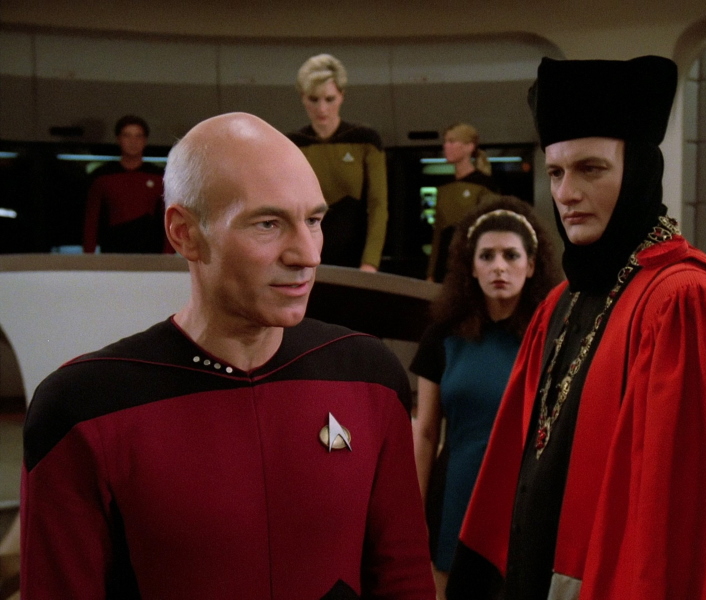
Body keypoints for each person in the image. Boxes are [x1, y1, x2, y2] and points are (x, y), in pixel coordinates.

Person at [21, 112, 435, 599]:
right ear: (184, 233)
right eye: (268, 224)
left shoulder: (369, 377)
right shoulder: (82, 408)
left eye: (314, 220)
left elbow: (405, 577)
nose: (307, 254)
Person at [448, 56, 706, 600]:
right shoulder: (561, 303)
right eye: (556, 172)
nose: (566, 193)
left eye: (590, 169)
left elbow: (685, 524)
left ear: (637, 170)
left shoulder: (684, 300)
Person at [411, 196, 560, 599]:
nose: (499, 267)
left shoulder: (553, 337)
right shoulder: (443, 336)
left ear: (532, 265)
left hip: (528, 496)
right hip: (456, 490)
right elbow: (425, 432)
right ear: (471, 267)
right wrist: (413, 512)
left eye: (511, 255)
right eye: (487, 256)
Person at [287, 54, 388, 272]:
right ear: (303, 97)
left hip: (357, 258)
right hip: (309, 258)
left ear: (342, 96)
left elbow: (378, 206)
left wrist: (370, 262)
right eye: (314, 99)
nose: (322, 109)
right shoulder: (293, 144)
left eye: (329, 99)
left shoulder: (365, 139)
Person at [83, 114, 167, 253]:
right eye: (127, 135)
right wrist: (88, 255)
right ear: (118, 139)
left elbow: (169, 217)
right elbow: (91, 219)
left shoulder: (159, 176)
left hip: (151, 254)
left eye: (138, 136)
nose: (133, 141)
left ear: (145, 140)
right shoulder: (102, 176)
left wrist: (168, 255)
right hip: (113, 252)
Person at [427, 123, 499, 282]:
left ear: (469, 147)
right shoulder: (444, 187)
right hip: (444, 268)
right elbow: (437, 234)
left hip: (471, 265)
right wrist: (431, 273)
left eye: (452, 141)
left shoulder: (484, 186)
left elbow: (491, 231)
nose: (446, 146)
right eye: (445, 142)